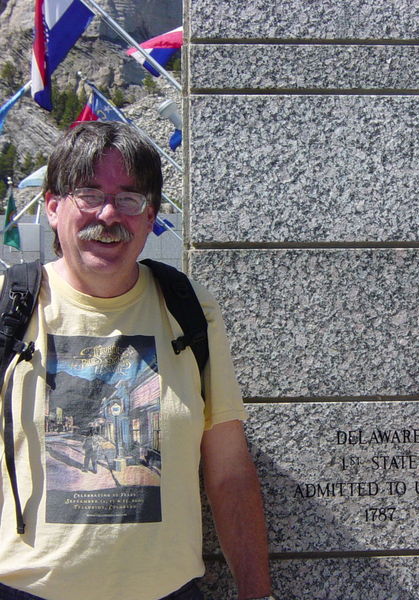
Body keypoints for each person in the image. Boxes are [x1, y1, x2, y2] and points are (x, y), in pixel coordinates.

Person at [0, 122, 274, 600]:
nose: (109, 214)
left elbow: (229, 471)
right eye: (89, 194)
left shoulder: (189, 310)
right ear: (53, 206)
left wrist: (258, 594)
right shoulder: (9, 308)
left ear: (150, 217)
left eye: (129, 198)